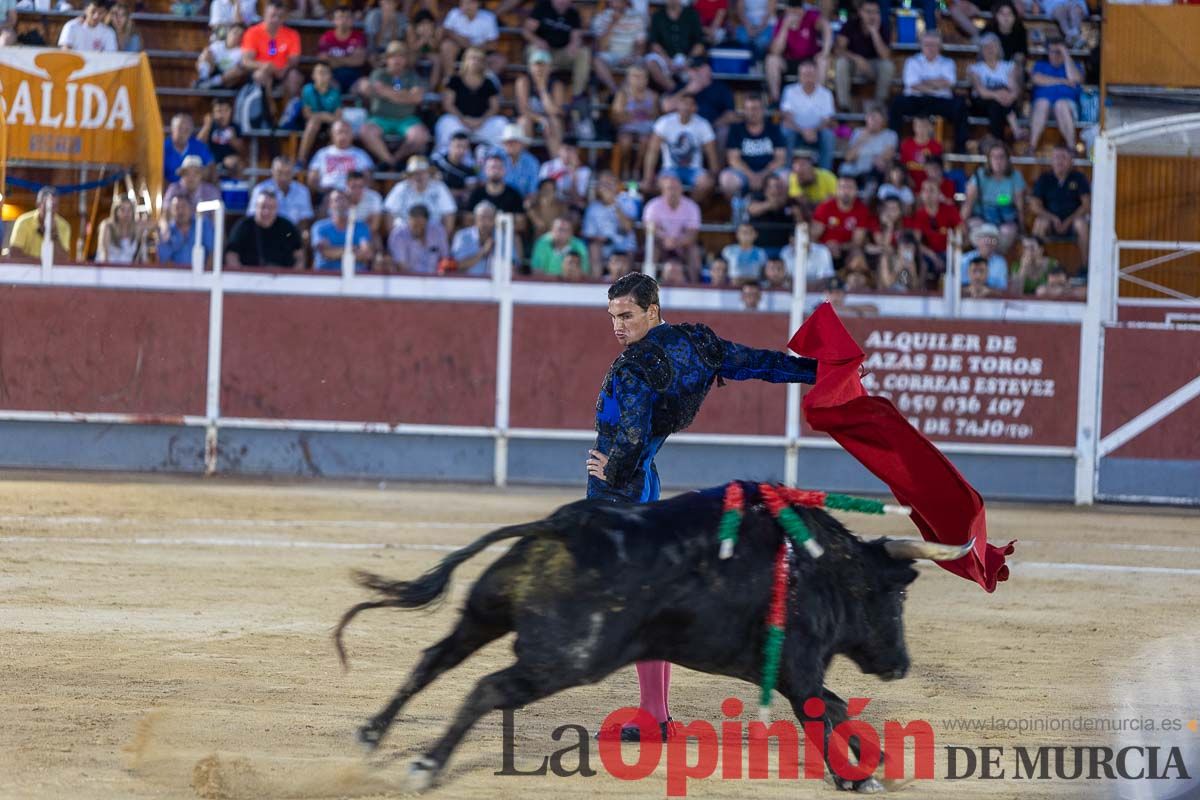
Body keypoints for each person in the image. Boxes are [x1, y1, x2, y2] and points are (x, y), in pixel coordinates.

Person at [588, 272, 817, 742]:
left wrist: (611, 470)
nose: (617, 326)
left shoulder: (634, 368)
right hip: (647, 482)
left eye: (626, 315)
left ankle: (656, 713)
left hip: (619, 492)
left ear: (653, 310)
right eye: (612, 316)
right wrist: (820, 371)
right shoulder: (698, 344)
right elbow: (759, 364)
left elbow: (631, 434)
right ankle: (656, 714)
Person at [889, 32, 968, 153]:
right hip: (916, 100)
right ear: (921, 45)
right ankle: (894, 148)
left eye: (934, 45)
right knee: (896, 103)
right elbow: (912, 84)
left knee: (961, 105)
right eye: (927, 44)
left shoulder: (948, 62)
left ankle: (960, 149)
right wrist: (936, 85)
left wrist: (923, 82)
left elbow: (949, 82)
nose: (930, 48)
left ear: (940, 46)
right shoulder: (912, 61)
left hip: (940, 101)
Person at [359, 40, 431, 169]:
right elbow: (377, 90)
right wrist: (406, 96)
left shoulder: (412, 76)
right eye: (393, 56)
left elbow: (417, 98)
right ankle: (390, 161)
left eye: (401, 56)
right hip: (380, 118)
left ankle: (394, 160)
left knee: (420, 136)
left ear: (406, 59)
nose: (397, 60)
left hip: (406, 119)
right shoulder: (379, 74)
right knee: (366, 132)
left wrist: (388, 93)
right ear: (387, 59)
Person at [642, 93, 718, 203]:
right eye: (684, 103)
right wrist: (647, 177)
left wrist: (715, 177)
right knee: (667, 185)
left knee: (706, 184)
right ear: (677, 105)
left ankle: (689, 208)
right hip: (669, 169)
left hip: (695, 169)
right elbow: (652, 151)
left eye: (690, 104)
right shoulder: (664, 122)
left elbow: (711, 153)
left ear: (695, 108)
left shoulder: (703, 124)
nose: (686, 107)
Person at [434, 46, 507, 154]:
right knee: (445, 122)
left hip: (482, 124)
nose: (475, 62)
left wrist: (481, 120)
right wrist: (463, 119)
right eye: (472, 58)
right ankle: (443, 156)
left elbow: (494, 107)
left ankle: (496, 158)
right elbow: (448, 104)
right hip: (459, 122)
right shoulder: (455, 80)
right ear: (465, 61)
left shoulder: (489, 82)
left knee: (501, 123)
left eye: (479, 59)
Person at [720, 93, 786, 208]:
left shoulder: (773, 128)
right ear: (744, 111)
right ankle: (738, 211)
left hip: (769, 172)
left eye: (756, 109)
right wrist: (751, 176)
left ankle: (778, 210)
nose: (752, 112)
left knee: (786, 177)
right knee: (726, 180)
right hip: (744, 173)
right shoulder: (736, 129)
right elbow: (733, 159)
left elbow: (780, 158)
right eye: (749, 109)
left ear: (763, 110)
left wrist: (763, 175)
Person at [1030, 144, 1090, 266]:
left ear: (1071, 161)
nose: (1059, 161)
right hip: (1051, 221)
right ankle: (1035, 265)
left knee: (1082, 224)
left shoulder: (1079, 178)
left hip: (1073, 222)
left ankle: (1086, 267)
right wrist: (1052, 218)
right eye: (1056, 157)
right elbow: (1034, 205)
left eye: (1063, 157)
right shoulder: (1044, 178)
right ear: (1051, 161)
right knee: (1039, 223)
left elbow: (1086, 205)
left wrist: (1068, 220)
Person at [961, 141, 1025, 254]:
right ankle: (983, 258)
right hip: (982, 218)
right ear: (989, 160)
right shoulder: (979, 175)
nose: (998, 161)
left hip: (1005, 220)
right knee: (977, 229)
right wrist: (962, 225)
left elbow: (1020, 207)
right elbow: (968, 203)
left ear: (1007, 159)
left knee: (1007, 232)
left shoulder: (1016, 176)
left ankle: (994, 258)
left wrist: (1022, 229)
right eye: (994, 157)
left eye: (1001, 157)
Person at [241, 0, 305, 108]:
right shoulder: (252, 32)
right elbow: (246, 61)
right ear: (265, 15)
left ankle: (288, 113)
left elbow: (294, 60)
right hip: (261, 71)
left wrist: (284, 69)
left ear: (284, 18)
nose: (276, 19)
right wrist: (264, 66)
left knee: (294, 77)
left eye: (280, 16)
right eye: (273, 15)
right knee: (261, 75)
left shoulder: (292, 34)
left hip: (283, 73)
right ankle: (268, 111)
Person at [765, 0, 830, 104]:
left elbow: (826, 26)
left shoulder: (810, 17)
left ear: (803, 10)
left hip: (810, 60)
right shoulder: (781, 22)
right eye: (793, 10)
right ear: (787, 10)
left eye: (798, 10)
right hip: (790, 60)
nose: (796, 13)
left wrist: (825, 51)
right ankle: (775, 100)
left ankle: (818, 99)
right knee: (772, 60)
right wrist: (785, 27)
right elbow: (776, 51)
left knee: (823, 61)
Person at [832, 0, 892, 112]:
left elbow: (885, 56)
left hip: (873, 67)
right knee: (841, 63)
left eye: (875, 12)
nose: (872, 15)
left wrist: (874, 32)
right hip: (854, 64)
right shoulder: (850, 24)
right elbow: (838, 50)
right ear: (860, 12)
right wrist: (857, 59)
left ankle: (878, 106)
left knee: (887, 66)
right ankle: (844, 106)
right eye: (868, 12)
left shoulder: (883, 27)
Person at [524, 0, 591, 98]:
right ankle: (538, 93)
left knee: (583, 53)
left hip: (561, 54)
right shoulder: (543, 7)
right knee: (535, 51)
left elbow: (576, 36)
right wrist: (537, 41)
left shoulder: (573, 13)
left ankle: (577, 95)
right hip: (542, 51)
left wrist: (574, 44)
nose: (562, 1)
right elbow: (526, 31)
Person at [643, 172, 702, 281]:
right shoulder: (653, 206)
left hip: (682, 246)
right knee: (651, 249)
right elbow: (649, 228)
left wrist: (677, 242)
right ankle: (647, 283)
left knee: (694, 252)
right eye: (669, 188)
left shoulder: (692, 207)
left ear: (681, 190)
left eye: (675, 188)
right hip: (661, 244)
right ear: (663, 190)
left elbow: (692, 234)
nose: (672, 192)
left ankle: (695, 284)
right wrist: (664, 239)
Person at [224, 191, 304, 269]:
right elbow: (231, 255)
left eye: (271, 207)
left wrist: (292, 275)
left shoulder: (288, 228)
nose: (266, 212)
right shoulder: (243, 227)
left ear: (277, 209)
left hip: (283, 275)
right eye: (263, 207)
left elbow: (299, 257)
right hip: (248, 275)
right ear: (256, 207)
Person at [779, 60, 836, 169]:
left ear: (817, 76)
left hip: (817, 132)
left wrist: (813, 131)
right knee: (786, 132)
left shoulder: (826, 94)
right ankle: (786, 171)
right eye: (805, 75)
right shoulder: (790, 91)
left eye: (811, 74)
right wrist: (803, 131)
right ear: (799, 76)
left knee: (828, 136)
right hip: (796, 130)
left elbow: (827, 119)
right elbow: (786, 117)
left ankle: (825, 173)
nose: (808, 78)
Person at [968, 34, 1024, 142]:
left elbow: (1014, 90)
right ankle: (1015, 130)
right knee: (996, 103)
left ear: (998, 49)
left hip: (1004, 102)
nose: (990, 50)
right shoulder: (975, 69)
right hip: (982, 103)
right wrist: (998, 95)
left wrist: (1009, 97)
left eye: (992, 46)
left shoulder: (1008, 66)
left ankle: (997, 141)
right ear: (981, 51)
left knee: (997, 106)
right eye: (986, 47)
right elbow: (981, 92)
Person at [1029, 39, 1082, 153]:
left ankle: (1071, 147)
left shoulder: (1074, 65)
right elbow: (1037, 79)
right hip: (1043, 107)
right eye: (1051, 51)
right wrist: (1063, 81)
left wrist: (1065, 53)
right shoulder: (1040, 65)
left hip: (1067, 107)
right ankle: (1032, 147)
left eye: (1058, 52)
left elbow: (1075, 79)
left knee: (1060, 105)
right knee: (1043, 103)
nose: (1054, 55)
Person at [384, 155, 458, 234]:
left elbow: (449, 214)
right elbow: (389, 213)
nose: (419, 177)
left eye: (423, 172)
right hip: (405, 234)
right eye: (415, 173)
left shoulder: (439, 188)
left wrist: (443, 238)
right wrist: (395, 238)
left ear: (429, 174)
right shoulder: (400, 188)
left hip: (433, 234)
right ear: (409, 176)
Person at [811, 175, 876, 264]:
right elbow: (813, 236)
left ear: (856, 191)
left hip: (847, 251)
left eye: (850, 188)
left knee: (857, 254)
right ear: (836, 190)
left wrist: (839, 246)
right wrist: (826, 247)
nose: (846, 191)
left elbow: (857, 242)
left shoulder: (862, 210)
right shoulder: (825, 207)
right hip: (823, 250)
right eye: (842, 187)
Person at [611, 66, 660, 182]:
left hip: (646, 129)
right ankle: (625, 168)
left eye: (641, 77)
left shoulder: (653, 95)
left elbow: (656, 116)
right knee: (626, 143)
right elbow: (616, 115)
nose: (638, 80)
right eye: (635, 76)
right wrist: (629, 116)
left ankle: (636, 169)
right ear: (628, 78)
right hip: (627, 127)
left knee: (645, 141)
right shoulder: (623, 94)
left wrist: (648, 114)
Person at [645, 0, 705, 92]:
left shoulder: (692, 14)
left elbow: (699, 44)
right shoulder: (657, 15)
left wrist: (688, 61)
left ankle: (685, 94)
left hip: (687, 59)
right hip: (665, 59)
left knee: (704, 71)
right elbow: (654, 44)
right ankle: (674, 91)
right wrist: (668, 61)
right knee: (650, 63)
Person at [590, 0, 648, 95]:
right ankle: (615, 91)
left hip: (630, 54)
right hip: (610, 54)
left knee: (641, 62)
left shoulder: (637, 17)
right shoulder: (601, 17)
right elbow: (601, 47)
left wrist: (633, 56)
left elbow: (640, 44)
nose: (616, 3)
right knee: (596, 60)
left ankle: (621, 94)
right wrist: (613, 23)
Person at [582, 171, 638, 270]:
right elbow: (589, 234)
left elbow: (628, 227)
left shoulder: (627, 200)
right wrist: (601, 239)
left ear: (617, 185)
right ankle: (596, 277)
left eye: (610, 183)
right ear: (598, 188)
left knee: (628, 251)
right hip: (603, 247)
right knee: (594, 248)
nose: (607, 187)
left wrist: (613, 203)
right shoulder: (593, 208)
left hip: (624, 246)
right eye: (603, 184)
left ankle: (627, 279)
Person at [311, 188, 376, 271]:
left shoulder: (362, 227)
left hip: (357, 274)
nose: (340, 203)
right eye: (336, 200)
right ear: (330, 204)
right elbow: (325, 253)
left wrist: (335, 251)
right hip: (325, 274)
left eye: (343, 199)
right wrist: (352, 250)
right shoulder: (319, 227)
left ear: (349, 204)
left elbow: (366, 254)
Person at [515, 49, 567, 149]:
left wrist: (542, 89)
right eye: (536, 65)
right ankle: (521, 156)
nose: (539, 69)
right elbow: (523, 109)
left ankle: (556, 157)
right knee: (524, 122)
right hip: (531, 119)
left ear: (550, 68)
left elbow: (555, 111)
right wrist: (540, 119)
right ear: (530, 67)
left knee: (555, 122)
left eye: (543, 65)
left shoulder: (556, 84)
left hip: (549, 121)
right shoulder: (523, 82)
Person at [307, 119, 375, 194]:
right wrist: (322, 191)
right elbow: (312, 179)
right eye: (339, 132)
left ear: (352, 134)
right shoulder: (322, 154)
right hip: (327, 194)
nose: (343, 136)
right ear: (332, 134)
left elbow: (368, 179)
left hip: (352, 195)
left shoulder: (361, 154)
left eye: (346, 132)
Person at [441, 0, 501, 82]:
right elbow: (445, 32)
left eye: (470, 3)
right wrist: (459, 39)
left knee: (499, 60)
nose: (467, 6)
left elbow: (493, 44)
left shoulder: (489, 17)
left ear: (478, 4)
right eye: (464, 3)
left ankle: (484, 84)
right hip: (459, 51)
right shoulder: (454, 14)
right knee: (446, 46)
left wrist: (474, 48)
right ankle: (450, 80)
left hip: (481, 51)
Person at [249, 157, 315, 230]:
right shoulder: (259, 189)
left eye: (287, 173)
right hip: (266, 232)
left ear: (293, 173)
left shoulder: (303, 191)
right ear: (272, 172)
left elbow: (305, 219)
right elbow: (253, 216)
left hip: (292, 233)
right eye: (279, 172)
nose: (283, 177)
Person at [840, 105, 897, 188]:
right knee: (844, 168)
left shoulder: (890, 135)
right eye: (872, 119)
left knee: (880, 167)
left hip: (876, 169)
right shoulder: (858, 132)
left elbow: (889, 154)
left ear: (883, 121)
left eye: (877, 120)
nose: (874, 123)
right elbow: (848, 158)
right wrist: (860, 141)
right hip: (857, 169)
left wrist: (877, 159)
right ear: (867, 118)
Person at [296, 61, 342, 166]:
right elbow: (306, 114)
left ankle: (332, 162)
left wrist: (322, 117)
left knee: (336, 128)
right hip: (310, 123)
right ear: (313, 75)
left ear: (330, 76)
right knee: (313, 123)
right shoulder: (307, 90)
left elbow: (338, 117)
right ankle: (301, 159)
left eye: (325, 73)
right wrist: (322, 116)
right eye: (319, 72)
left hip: (328, 123)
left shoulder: (335, 93)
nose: (322, 76)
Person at [6, 187, 70, 261]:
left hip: (51, 268)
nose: (51, 211)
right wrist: (41, 263)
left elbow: (63, 259)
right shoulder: (23, 222)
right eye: (47, 207)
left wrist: (54, 234)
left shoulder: (64, 226)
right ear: (38, 205)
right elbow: (14, 254)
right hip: (26, 267)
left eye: (54, 206)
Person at [386, 204, 449, 273]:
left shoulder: (437, 231)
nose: (418, 228)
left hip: (436, 276)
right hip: (408, 277)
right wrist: (418, 279)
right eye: (415, 225)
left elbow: (444, 258)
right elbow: (401, 265)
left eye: (421, 224)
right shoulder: (398, 235)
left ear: (427, 222)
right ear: (408, 220)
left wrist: (440, 272)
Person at [319, 5, 369, 92]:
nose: (343, 20)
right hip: (333, 77)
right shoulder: (327, 37)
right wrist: (350, 59)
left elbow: (359, 61)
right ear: (334, 20)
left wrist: (335, 59)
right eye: (340, 17)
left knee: (366, 86)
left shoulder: (359, 37)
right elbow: (323, 59)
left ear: (352, 20)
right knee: (323, 83)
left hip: (355, 79)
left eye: (347, 17)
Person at [156, 195, 215, 267]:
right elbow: (164, 260)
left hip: (202, 272)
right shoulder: (166, 231)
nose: (180, 211)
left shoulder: (203, 225)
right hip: (175, 273)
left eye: (183, 207)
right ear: (171, 211)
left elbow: (213, 252)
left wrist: (205, 272)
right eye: (176, 208)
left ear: (191, 208)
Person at [748, 173, 795, 258]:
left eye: (779, 187)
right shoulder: (757, 198)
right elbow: (752, 210)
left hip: (785, 249)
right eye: (773, 186)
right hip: (760, 248)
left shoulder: (791, 202)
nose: (776, 190)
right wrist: (772, 203)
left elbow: (800, 221)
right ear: (765, 189)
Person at [198, 97, 246, 177]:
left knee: (236, 163)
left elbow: (242, 150)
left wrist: (233, 140)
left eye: (225, 111)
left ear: (230, 111)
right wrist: (206, 127)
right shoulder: (210, 126)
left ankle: (236, 184)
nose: (222, 115)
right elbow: (198, 144)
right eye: (219, 111)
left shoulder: (235, 127)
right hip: (211, 159)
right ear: (213, 113)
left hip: (229, 159)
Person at [96, 195, 151, 264]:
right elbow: (104, 255)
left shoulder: (137, 228)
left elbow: (157, 224)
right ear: (116, 211)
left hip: (128, 269)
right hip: (107, 268)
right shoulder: (107, 226)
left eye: (129, 210)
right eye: (123, 209)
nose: (126, 213)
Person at [493, 124, 542, 199]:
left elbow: (533, 191)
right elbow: (485, 182)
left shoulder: (531, 162)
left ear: (522, 144)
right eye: (507, 142)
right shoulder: (494, 157)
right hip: (496, 200)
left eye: (514, 141)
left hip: (521, 202)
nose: (510, 144)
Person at [450, 200, 498, 276]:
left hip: (497, 283)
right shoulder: (462, 236)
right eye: (482, 217)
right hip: (468, 282)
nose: (486, 222)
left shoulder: (501, 237)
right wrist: (483, 252)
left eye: (490, 218)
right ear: (475, 218)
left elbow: (513, 265)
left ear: (495, 219)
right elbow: (458, 265)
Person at [196, 22, 250, 89]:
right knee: (206, 52)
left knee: (240, 70)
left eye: (241, 35)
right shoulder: (217, 45)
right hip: (213, 71)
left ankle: (211, 84)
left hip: (228, 79)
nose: (237, 36)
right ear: (229, 32)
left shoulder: (243, 51)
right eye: (235, 32)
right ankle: (203, 79)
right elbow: (200, 62)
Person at [164, 114, 214, 182]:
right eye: (180, 128)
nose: (183, 132)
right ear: (172, 129)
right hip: (169, 187)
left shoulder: (199, 146)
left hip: (197, 187)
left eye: (187, 129)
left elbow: (211, 167)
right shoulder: (162, 148)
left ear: (191, 131)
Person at [432, 132, 478, 205]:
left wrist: (452, 192)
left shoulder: (470, 169)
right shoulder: (437, 161)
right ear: (449, 146)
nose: (461, 151)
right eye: (458, 146)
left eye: (465, 147)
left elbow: (470, 191)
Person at [958, 222, 1008, 290]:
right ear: (977, 241)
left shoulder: (1000, 262)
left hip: (992, 295)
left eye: (992, 240)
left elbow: (1002, 287)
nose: (988, 242)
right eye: (985, 239)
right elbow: (958, 283)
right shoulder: (965, 259)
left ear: (996, 244)